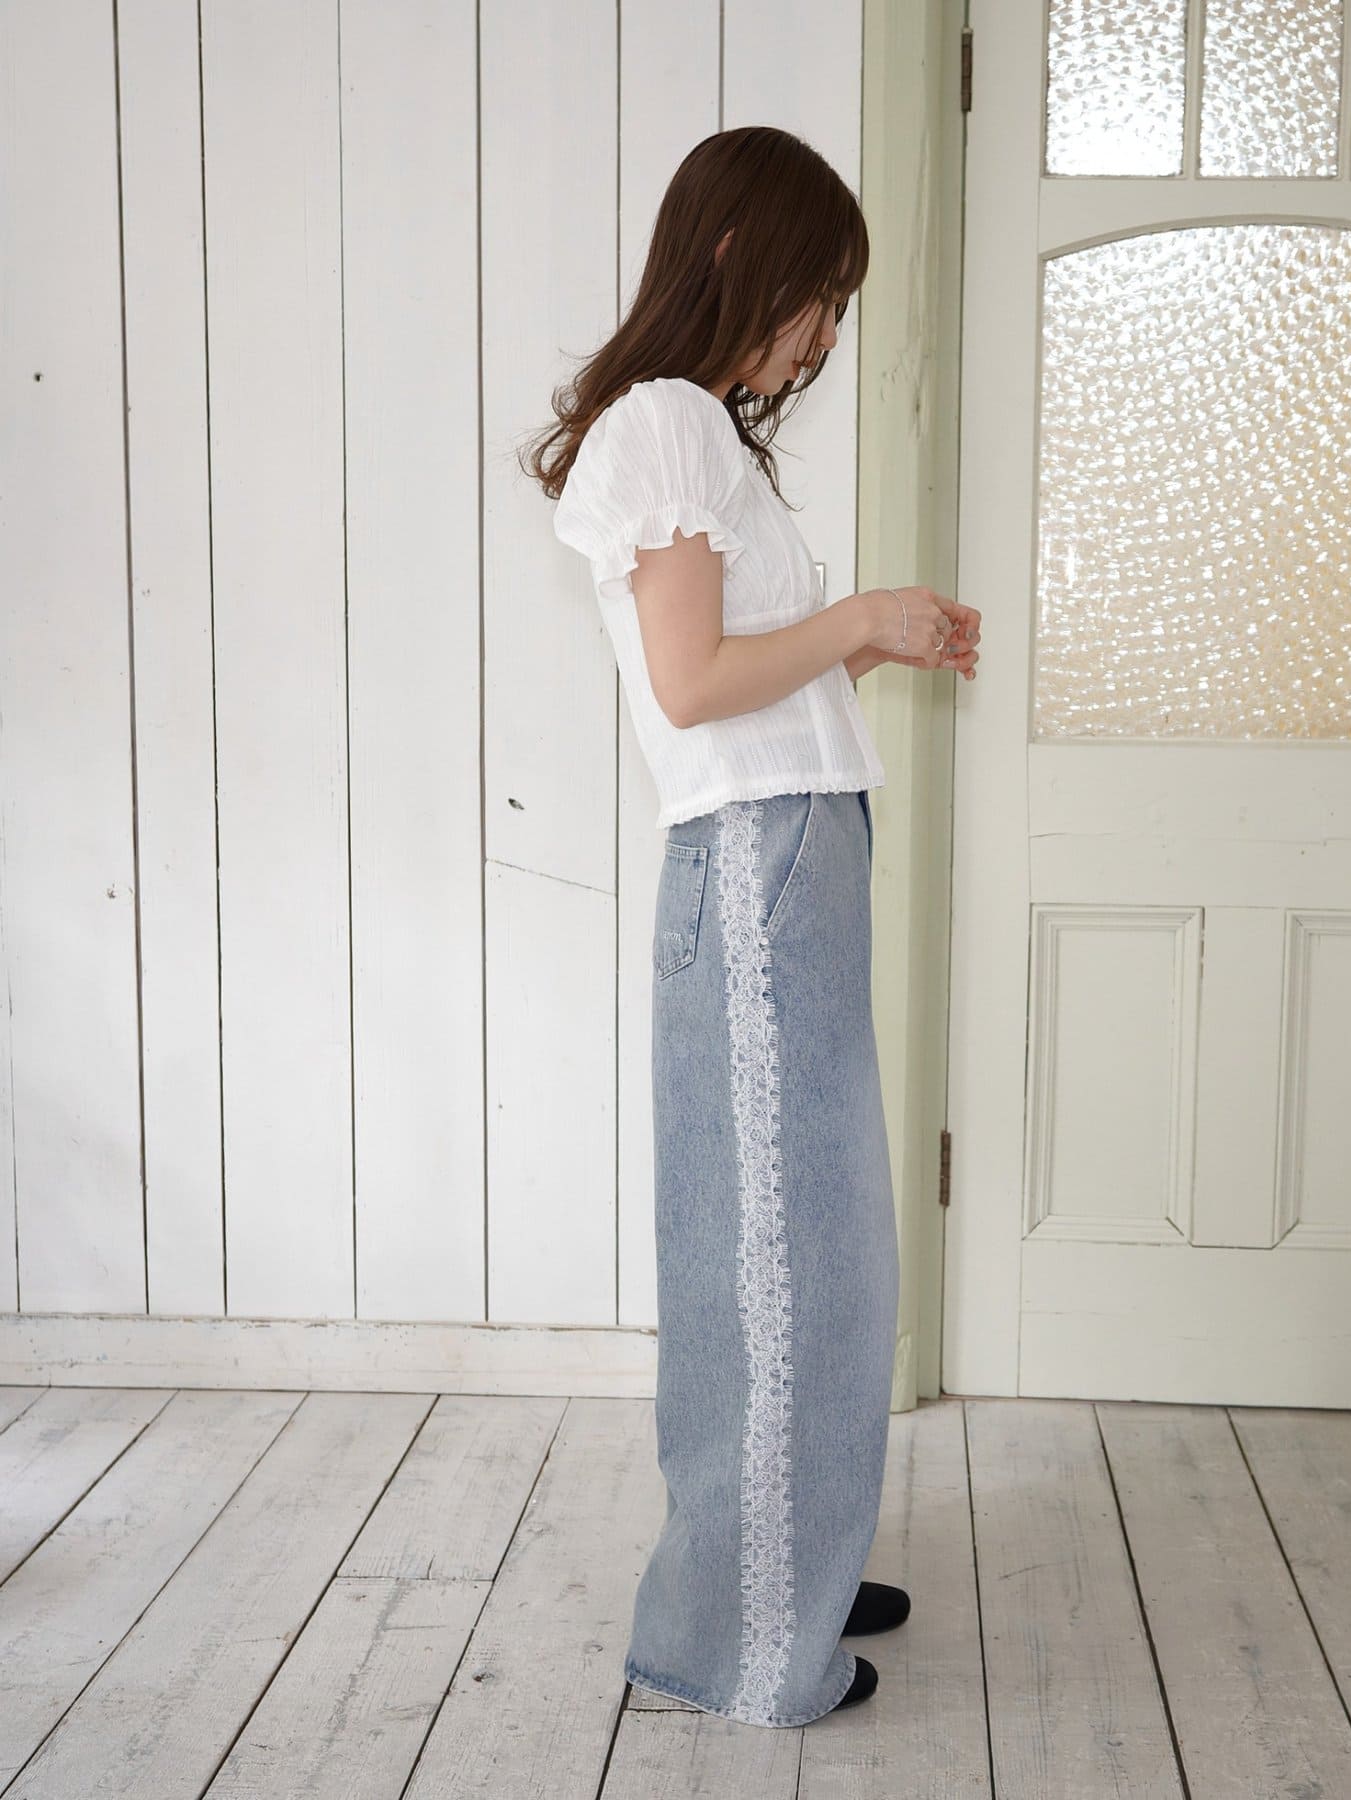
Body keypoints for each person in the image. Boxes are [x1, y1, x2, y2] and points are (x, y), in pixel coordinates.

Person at [520, 124, 981, 1728]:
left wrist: (871, 642)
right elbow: (694, 684)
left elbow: (744, 679)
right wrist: (857, 616)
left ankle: (793, 1566)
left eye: (842, 307)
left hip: (790, 854)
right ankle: (743, 1639)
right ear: (738, 256)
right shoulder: (665, 423)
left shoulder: (699, 432)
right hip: (758, 861)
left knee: (820, 1254)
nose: (826, 335)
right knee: (780, 1262)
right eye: (819, 296)